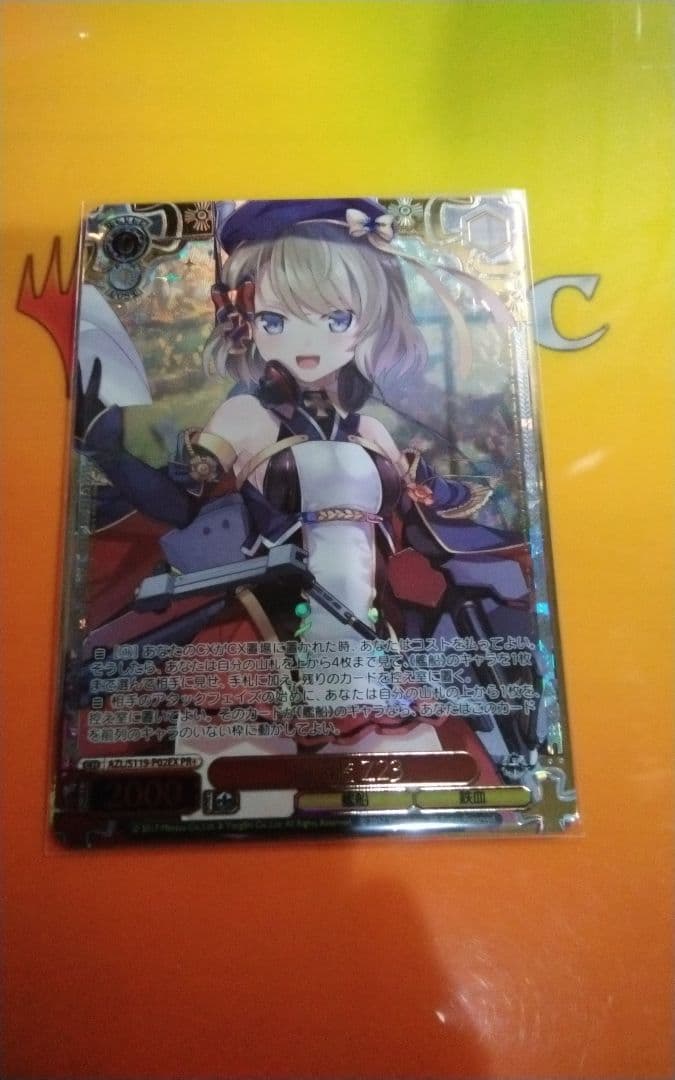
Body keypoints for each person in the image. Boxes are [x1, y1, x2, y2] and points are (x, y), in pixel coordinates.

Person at [80, 199, 540, 793]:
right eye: (276, 320)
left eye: (335, 318)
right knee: (241, 793)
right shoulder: (247, 416)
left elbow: (429, 514)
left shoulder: (371, 430)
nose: (305, 343)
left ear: (370, 318)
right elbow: (181, 503)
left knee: (410, 783)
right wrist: (110, 454)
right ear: (244, 319)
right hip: (264, 638)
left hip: (367, 640)